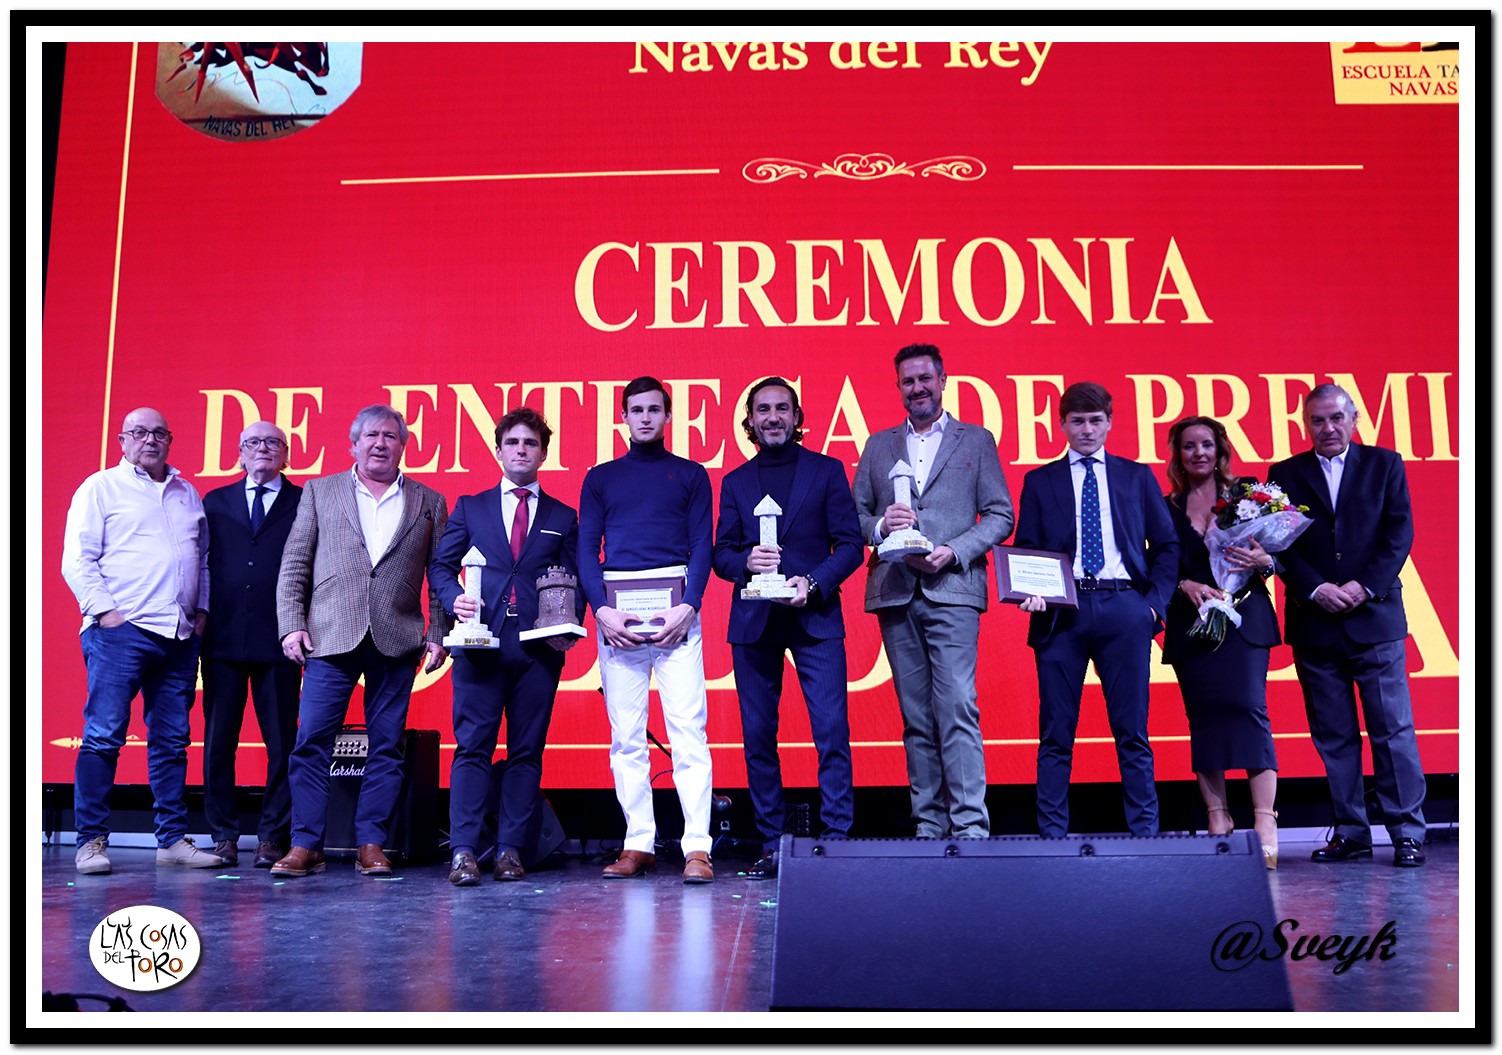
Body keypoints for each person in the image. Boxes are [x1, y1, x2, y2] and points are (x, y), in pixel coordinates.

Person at [271, 405, 450, 878]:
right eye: (370, 435)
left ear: (403, 445)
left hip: (398, 636)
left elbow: (440, 574)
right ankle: (305, 844)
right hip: (330, 634)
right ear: (353, 445)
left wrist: (438, 633)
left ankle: (372, 843)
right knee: (311, 741)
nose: (379, 444)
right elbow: (295, 564)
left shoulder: (430, 501)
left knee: (387, 746)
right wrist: (291, 624)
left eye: (390, 436)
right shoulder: (320, 491)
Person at [852, 345, 1013, 838]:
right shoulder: (878, 445)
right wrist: (882, 525)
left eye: (925, 378)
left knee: (957, 706)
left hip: (953, 587)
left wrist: (954, 551)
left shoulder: (976, 440)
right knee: (916, 715)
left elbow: (1000, 514)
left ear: (943, 380)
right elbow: (854, 518)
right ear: (898, 386)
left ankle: (970, 828)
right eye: (908, 381)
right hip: (896, 591)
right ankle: (929, 825)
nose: (917, 388)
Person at [713, 377, 864, 879]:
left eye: (782, 408)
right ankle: (772, 844)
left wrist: (813, 583)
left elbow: (850, 545)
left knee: (831, 730)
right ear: (750, 421)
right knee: (758, 736)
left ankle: (836, 840)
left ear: (797, 418)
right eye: (763, 410)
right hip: (754, 622)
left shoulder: (827, 470)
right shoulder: (735, 481)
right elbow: (720, 553)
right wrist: (745, 562)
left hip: (814, 615)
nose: (773, 417)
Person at [62, 407, 224, 873]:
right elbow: (77, 559)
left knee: (172, 742)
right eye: (139, 432)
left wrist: (200, 614)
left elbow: (202, 560)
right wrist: (107, 614)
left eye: (158, 433)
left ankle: (171, 840)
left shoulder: (187, 492)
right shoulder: (100, 487)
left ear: (170, 440)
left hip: (179, 634)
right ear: (122, 440)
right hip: (121, 633)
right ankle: (90, 842)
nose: (149, 440)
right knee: (103, 736)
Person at [1271, 383, 1427, 867]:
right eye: (1317, 420)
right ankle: (1352, 832)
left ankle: (1407, 833)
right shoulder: (1284, 474)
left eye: (1336, 417)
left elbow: (1399, 533)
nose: (1328, 428)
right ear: (1305, 425)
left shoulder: (1385, 464)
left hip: (1374, 619)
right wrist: (1316, 588)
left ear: (1354, 420)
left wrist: (1366, 586)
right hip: (1315, 622)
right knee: (1333, 735)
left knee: (1392, 731)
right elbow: (1280, 545)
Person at [1015, 382, 1178, 838]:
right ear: (1062, 425)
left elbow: (1167, 546)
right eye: (1077, 421)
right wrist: (1031, 591)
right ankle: (1052, 838)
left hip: (1124, 607)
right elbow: (1027, 549)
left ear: (1109, 423)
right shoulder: (1040, 481)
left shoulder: (1136, 476)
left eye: (1095, 421)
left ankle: (1145, 836)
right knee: (1055, 732)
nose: (1086, 430)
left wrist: (1152, 608)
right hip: (1060, 613)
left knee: (1133, 732)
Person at [430, 407, 583, 886]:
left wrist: (569, 622)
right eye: (513, 442)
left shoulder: (563, 516)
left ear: (543, 453)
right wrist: (454, 599)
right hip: (480, 645)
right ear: (498, 451)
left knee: (526, 752)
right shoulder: (470, 507)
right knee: (472, 749)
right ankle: (463, 852)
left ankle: (511, 850)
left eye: (530, 443)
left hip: (538, 650)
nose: (521, 450)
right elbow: (441, 567)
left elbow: (575, 579)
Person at [578, 377, 716, 882]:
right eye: (636, 410)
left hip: (679, 615)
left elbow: (702, 546)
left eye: (654, 409)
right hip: (617, 618)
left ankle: (697, 847)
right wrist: (601, 610)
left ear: (668, 415)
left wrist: (690, 605)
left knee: (688, 732)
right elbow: (586, 549)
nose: (645, 417)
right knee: (626, 738)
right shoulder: (600, 478)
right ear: (623, 416)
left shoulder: (691, 475)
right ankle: (638, 842)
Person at [1161, 416, 1281, 867]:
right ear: (1178, 455)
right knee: (1204, 716)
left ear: (1220, 450)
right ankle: (1218, 816)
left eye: (1206, 445)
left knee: (1249, 708)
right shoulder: (1165, 506)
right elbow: (1153, 563)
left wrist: (1265, 560)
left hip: (1245, 618)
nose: (1198, 453)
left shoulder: (1250, 496)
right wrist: (1183, 584)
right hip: (1192, 623)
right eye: (1189, 446)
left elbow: (1280, 559)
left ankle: (1265, 819)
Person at [200, 421, 304, 869]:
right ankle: (223, 835)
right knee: (218, 740)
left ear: (286, 454)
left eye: (273, 443)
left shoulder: (304, 501)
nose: (263, 449)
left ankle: (272, 836)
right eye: (253, 443)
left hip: (281, 637)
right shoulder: (215, 501)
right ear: (239, 453)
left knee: (282, 742)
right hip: (221, 636)